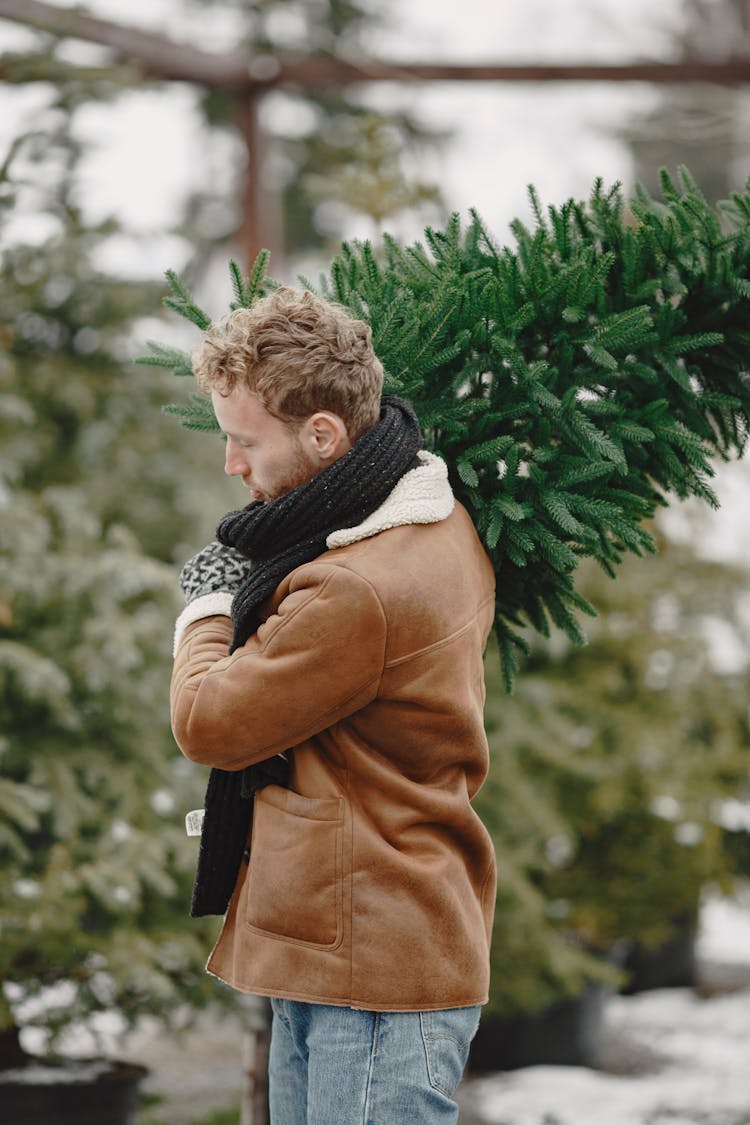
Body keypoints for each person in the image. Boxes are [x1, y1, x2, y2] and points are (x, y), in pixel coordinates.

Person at [170, 286, 497, 1124]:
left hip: (374, 969)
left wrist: (209, 608)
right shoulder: (414, 509)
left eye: (245, 441)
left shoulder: (355, 585)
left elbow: (210, 721)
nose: (232, 465)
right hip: (344, 942)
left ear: (323, 434)